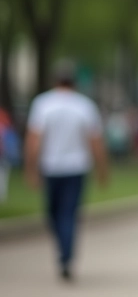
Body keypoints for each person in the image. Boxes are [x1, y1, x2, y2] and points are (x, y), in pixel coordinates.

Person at [25, 66, 109, 281]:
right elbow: (95, 141)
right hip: (71, 167)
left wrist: (31, 169)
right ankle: (66, 252)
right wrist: (102, 169)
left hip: (59, 167)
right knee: (67, 214)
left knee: (57, 213)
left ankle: (65, 255)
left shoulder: (43, 104)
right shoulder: (84, 106)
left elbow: (34, 140)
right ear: (74, 83)